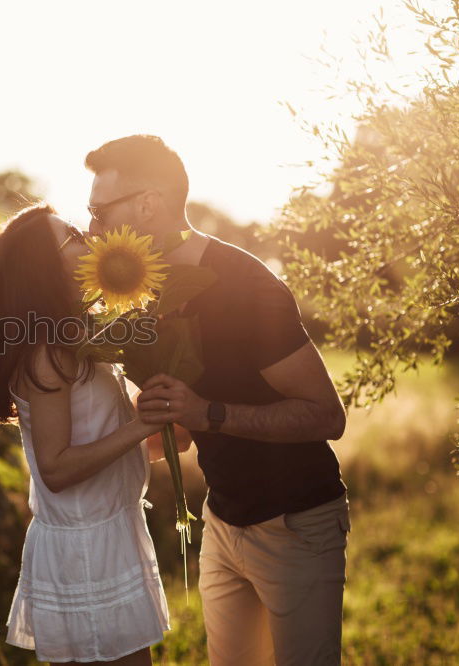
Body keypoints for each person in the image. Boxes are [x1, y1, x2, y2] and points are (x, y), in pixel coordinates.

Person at [84, 134, 350, 665]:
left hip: (296, 522)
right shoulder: (150, 292)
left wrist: (206, 413)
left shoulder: (246, 286)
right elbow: (182, 433)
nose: (92, 227)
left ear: (148, 205)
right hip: (222, 521)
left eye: (99, 211)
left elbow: (327, 415)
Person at [0, 202, 183, 665]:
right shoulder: (48, 354)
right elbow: (58, 468)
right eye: (71, 235)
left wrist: (162, 431)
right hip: (85, 549)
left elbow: (104, 440)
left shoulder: (79, 341)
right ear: (43, 266)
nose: (86, 236)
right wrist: (142, 425)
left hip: (111, 532)